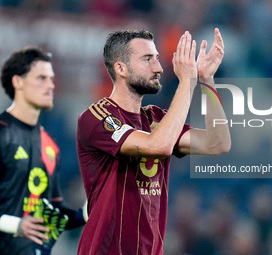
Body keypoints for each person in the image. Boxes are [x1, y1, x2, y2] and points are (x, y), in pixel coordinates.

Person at [76, 28, 231, 255]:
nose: (158, 67)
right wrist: (187, 81)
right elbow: (157, 146)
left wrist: (206, 79)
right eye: (147, 59)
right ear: (121, 68)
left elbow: (218, 143)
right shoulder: (97, 117)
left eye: (157, 58)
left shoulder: (157, 119)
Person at [0, 47, 88, 255]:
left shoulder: (52, 138)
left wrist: (84, 213)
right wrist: (16, 225)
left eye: (51, 78)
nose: (50, 85)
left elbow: (53, 206)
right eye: (41, 78)